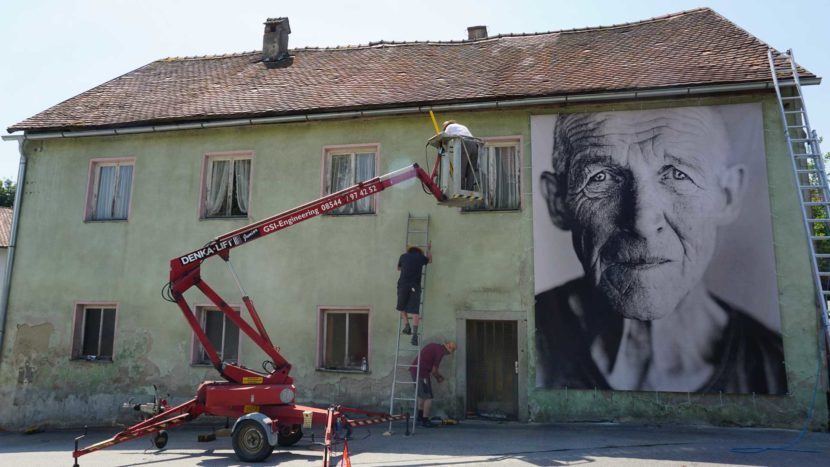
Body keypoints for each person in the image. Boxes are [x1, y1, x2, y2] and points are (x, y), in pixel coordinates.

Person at [535, 107, 787, 394]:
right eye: (601, 178)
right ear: (558, 202)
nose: (642, 222)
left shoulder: (772, 368)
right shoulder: (521, 343)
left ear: (727, 196)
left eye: (678, 175)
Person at [410, 340, 457, 427]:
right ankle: (425, 421)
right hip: (422, 373)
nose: (447, 355)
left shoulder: (434, 346)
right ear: (447, 350)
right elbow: (434, 371)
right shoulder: (440, 352)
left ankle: (420, 417)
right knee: (429, 398)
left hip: (415, 370)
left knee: (422, 395)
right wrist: (440, 378)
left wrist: (438, 376)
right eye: (449, 353)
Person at [397, 245, 431, 345]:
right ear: (419, 252)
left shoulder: (403, 256)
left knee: (401, 306)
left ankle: (407, 326)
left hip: (403, 284)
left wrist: (406, 267)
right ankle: (415, 335)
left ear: (409, 251)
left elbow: (398, 268)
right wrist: (428, 249)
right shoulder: (420, 258)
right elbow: (430, 260)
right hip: (415, 286)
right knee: (415, 310)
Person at [441, 120, 480, 192]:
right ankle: (470, 190)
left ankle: (460, 190)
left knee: (461, 168)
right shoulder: (462, 127)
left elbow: (444, 137)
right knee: (470, 170)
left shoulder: (449, 127)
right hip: (474, 144)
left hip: (464, 143)